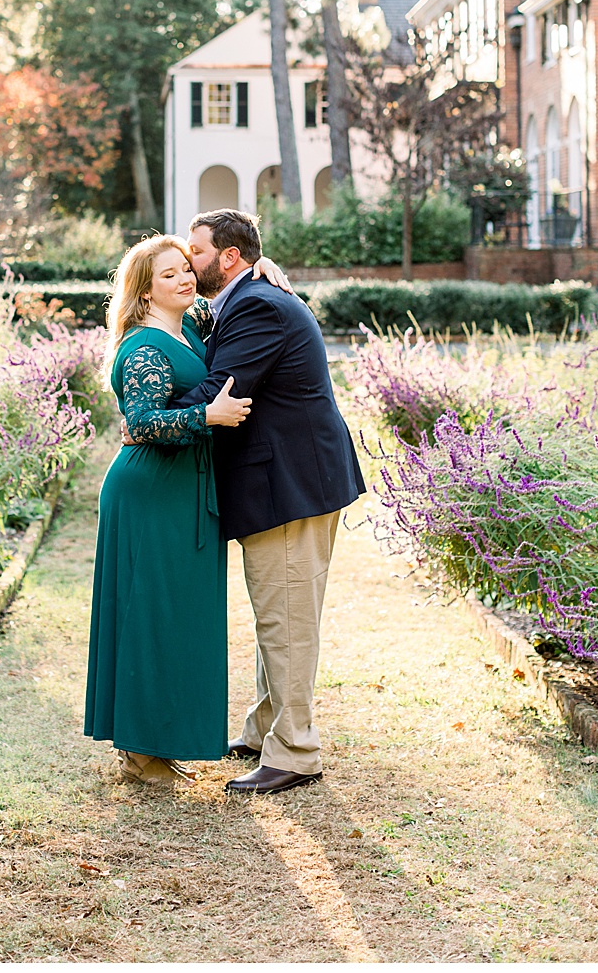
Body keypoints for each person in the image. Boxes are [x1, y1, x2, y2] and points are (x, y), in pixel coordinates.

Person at [167, 208, 367, 796]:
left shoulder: (257, 304)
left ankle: (296, 752)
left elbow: (221, 390)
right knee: (276, 613)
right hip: (287, 481)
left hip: (290, 486)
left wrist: (150, 411)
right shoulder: (246, 297)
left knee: (288, 620)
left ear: (229, 258)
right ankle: (264, 730)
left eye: (196, 252)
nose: (188, 263)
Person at [84, 235, 256, 784]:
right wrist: (208, 416)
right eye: (168, 275)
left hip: (185, 490)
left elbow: (230, 290)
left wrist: (262, 266)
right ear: (143, 292)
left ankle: (159, 741)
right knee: (150, 614)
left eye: (186, 268)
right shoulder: (144, 347)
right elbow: (142, 422)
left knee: (180, 615)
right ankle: (140, 751)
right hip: (151, 493)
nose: (185, 278)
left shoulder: (189, 325)